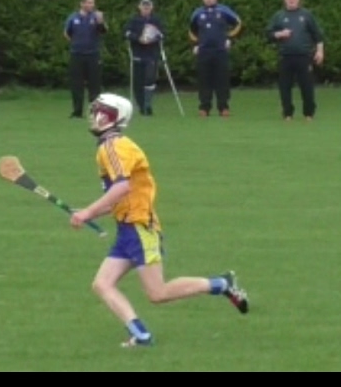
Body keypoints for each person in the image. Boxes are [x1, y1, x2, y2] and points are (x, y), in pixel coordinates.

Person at [70, 94, 249, 349]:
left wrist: (87, 212)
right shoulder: (111, 146)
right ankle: (141, 336)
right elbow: (120, 196)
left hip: (140, 228)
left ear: (112, 117)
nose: (94, 116)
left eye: (100, 111)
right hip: (127, 228)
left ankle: (222, 284)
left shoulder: (113, 146)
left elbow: (120, 188)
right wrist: (88, 212)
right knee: (102, 284)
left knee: (157, 293)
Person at [267, 0, 326, 122]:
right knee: (285, 86)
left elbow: (317, 35)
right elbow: (269, 33)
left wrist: (320, 51)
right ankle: (288, 113)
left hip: (304, 56)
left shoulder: (306, 15)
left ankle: (308, 113)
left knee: (307, 86)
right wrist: (279, 34)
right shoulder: (279, 16)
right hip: (285, 56)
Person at [189, 0, 243, 118]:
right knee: (204, 80)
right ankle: (204, 107)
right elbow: (191, 31)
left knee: (222, 79)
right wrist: (196, 44)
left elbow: (239, 24)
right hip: (204, 51)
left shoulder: (224, 10)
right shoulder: (197, 13)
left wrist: (229, 39)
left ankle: (223, 107)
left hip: (220, 50)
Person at [65, 0, 107, 119]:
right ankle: (77, 111)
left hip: (93, 54)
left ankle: (94, 112)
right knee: (76, 84)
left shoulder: (96, 16)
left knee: (94, 84)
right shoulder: (73, 17)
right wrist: (76, 43)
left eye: (92, 3)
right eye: (88, 3)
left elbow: (103, 31)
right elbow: (67, 33)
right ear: (82, 4)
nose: (91, 5)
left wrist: (101, 22)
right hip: (77, 54)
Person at [124, 0, 167, 117]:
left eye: (148, 6)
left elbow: (162, 34)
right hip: (138, 53)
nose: (146, 8)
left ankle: (148, 105)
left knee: (150, 79)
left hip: (152, 53)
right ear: (139, 7)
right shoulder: (134, 20)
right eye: (144, 6)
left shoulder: (156, 20)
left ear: (151, 7)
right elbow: (127, 33)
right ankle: (141, 105)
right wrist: (138, 39)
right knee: (138, 80)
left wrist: (152, 38)